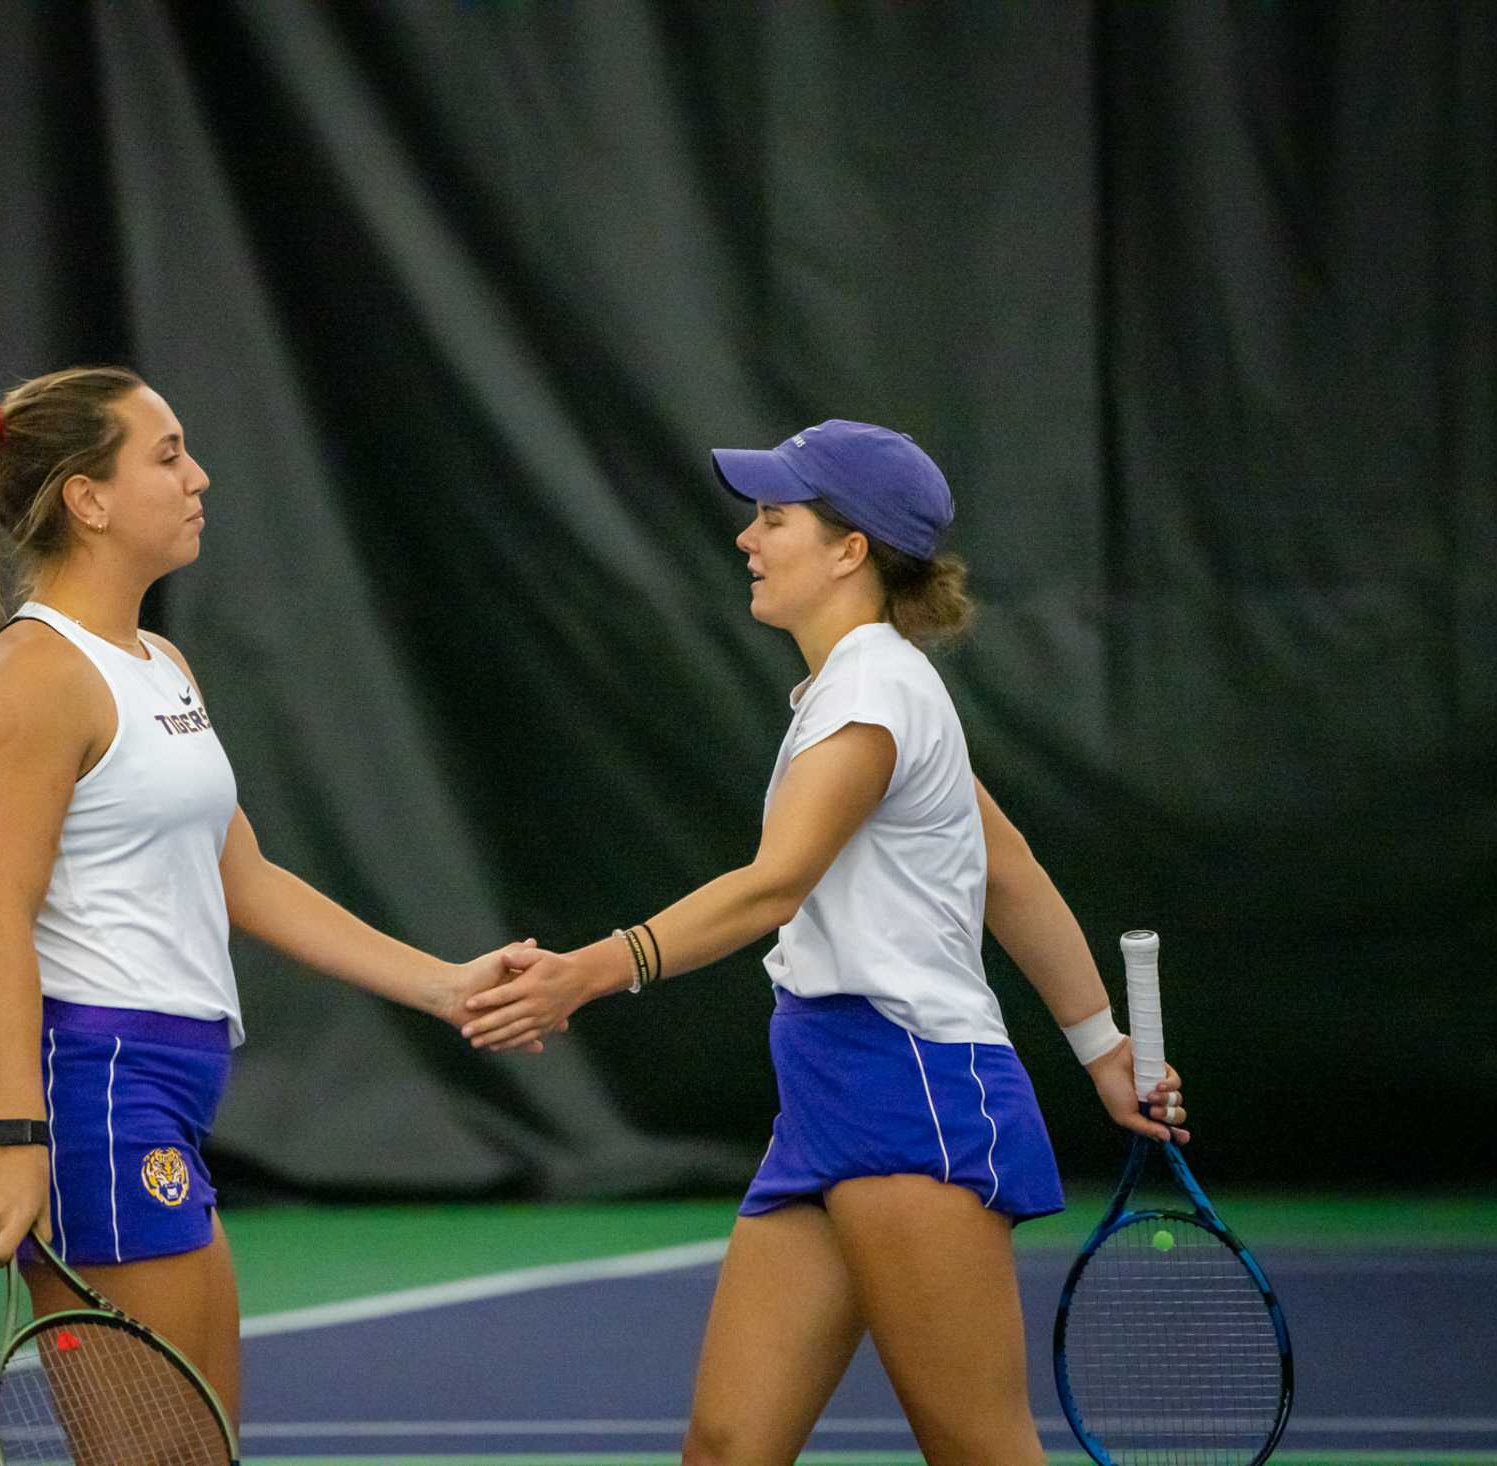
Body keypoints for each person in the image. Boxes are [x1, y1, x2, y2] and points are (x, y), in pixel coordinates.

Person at [460, 420, 1190, 1466]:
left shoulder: (872, 689)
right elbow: (1011, 867)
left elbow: (775, 882)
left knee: (980, 1448)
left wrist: (587, 969)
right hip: (827, 1089)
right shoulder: (862, 685)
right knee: (726, 1445)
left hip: (910, 1089)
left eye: (773, 518)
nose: (747, 539)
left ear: (850, 548)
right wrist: (1101, 1045)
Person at [0, 366, 537, 1420]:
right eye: (166, 455)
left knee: (201, 1448)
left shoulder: (159, 661)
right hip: (91, 1097)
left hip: (163, 1091)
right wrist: (21, 1138)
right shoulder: (27, 680)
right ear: (89, 498)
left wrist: (444, 985)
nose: (199, 476)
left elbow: (241, 873)